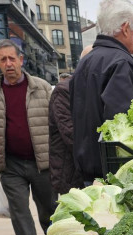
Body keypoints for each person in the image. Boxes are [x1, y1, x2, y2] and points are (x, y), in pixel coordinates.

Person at [0, 39, 55, 235]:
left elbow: (54, 123)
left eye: (11, 58)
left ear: (21, 60)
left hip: (41, 161)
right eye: (2, 59)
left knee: (49, 208)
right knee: (19, 210)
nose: (8, 63)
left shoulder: (41, 87)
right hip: (11, 164)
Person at [70, 0, 133, 183]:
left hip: (87, 170)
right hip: (114, 174)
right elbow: (122, 124)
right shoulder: (121, 62)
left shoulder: (85, 62)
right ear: (125, 28)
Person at [50, 48, 91, 196]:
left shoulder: (93, 87)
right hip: (72, 174)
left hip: (85, 170)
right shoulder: (64, 90)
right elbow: (71, 134)